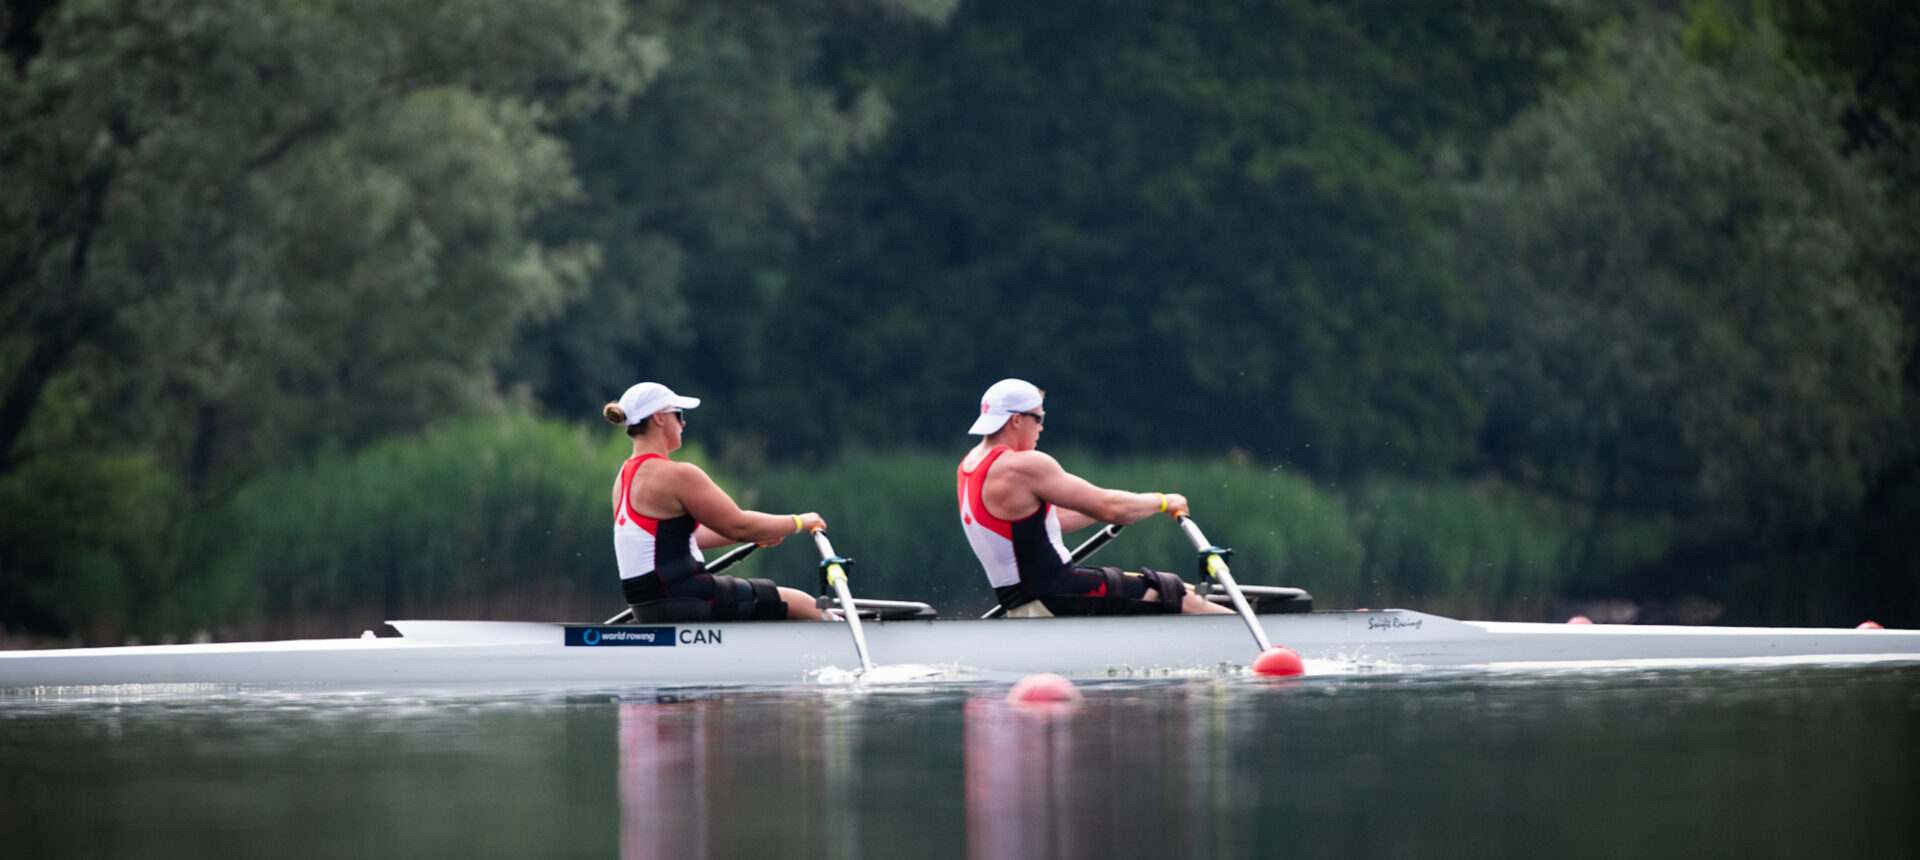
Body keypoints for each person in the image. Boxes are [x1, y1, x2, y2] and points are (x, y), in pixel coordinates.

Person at [956, 378, 1232, 617]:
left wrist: (1131, 507)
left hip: (1021, 599)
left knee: (1169, 588)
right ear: (1016, 419)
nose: (1041, 428)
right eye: (1039, 418)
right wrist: (1163, 501)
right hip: (1056, 593)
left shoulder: (970, 466)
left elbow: (1055, 519)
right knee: (1176, 594)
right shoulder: (1023, 465)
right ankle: (1256, 644)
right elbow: (1109, 508)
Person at [606, 382, 825, 621]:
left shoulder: (624, 477)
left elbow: (691, 536)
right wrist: (799, 522)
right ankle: (838, 635)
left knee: (782, 600)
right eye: (678, 414)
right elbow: (738, 525)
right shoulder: (676, 475)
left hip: (649, 606)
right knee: (804, 604)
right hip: (685, 598)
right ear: (658, 418)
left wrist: (760, 534)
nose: (683, 423)